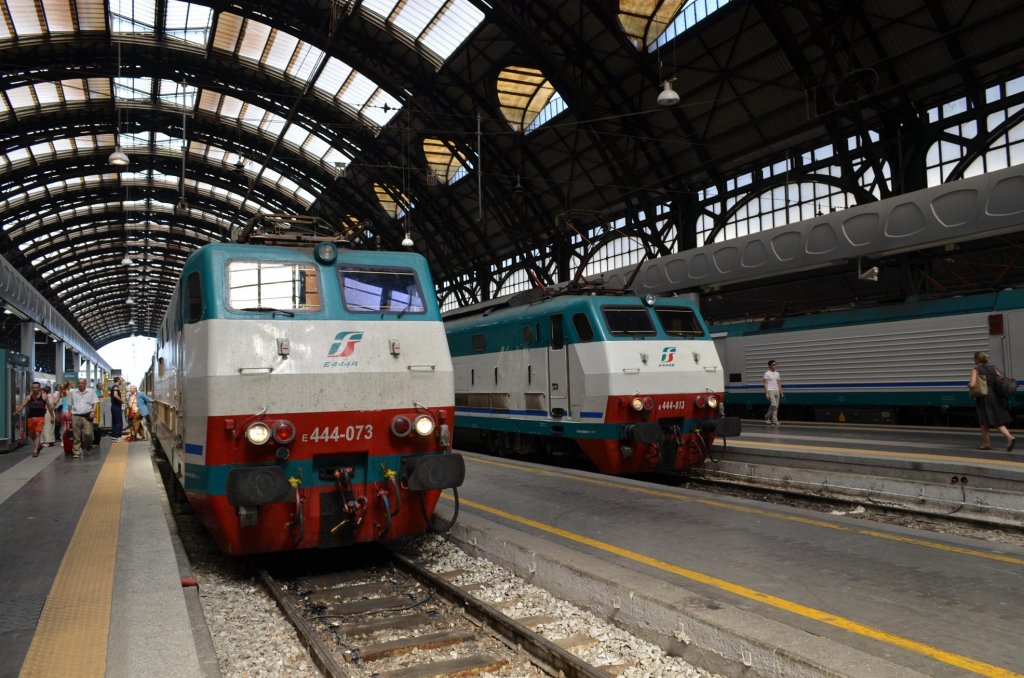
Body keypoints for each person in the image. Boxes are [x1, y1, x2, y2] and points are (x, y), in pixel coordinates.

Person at [969, 351, 1015, 451]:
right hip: (994, 395)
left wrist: (969, 385)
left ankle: (1009, 437)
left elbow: (972, 385)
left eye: (974, 358)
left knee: (988, 420)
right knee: (988, 421)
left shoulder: (976, 369)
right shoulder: (992, 368)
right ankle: (987, 444)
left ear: (977, 359)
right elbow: (999, 378)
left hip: (984, 397)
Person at [13, 382, 53, 457]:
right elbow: (23, 405)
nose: (34, 389)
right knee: (31, 434)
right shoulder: (29, 397)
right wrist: (17, 411)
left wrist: (52, 417)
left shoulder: (44, 396)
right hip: (31, 418)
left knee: (38, 433)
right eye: (33, 387)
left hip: (40, 418)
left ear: (39, 388)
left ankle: (35, 450)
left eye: (36, 387)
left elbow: (49, 406)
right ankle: (39, 445)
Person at [69, 377, 99, 458]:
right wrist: (69, 414)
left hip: (87, 416)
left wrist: (93, 411)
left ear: (85, 384)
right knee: (76, 435)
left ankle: (88, 446)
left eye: (82, 383)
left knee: (88, 434)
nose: (80, 384)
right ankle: (76, 452)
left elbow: (95, 403)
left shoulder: (91, 392)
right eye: (79, 383)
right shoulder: (73, 392)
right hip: (75, 415)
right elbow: (70, 403)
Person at [763, 359, 783, 425]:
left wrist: (781, 392)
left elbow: (779, 384)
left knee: (776, 407)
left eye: (775, 364)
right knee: (773, 404)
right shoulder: (767, 373)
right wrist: (766, 393)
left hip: (777, 390)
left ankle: (774, 420)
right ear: (770, 366)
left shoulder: (777, 374)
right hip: (770, 391)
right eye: (774, 364)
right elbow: (765, 384)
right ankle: (767, 416)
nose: (775, 366)